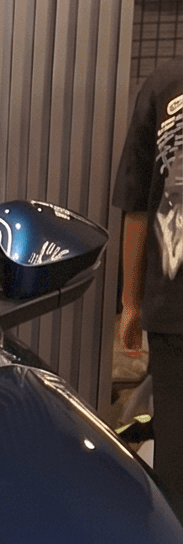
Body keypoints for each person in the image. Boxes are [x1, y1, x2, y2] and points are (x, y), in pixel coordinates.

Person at [115, 57, 183, 515]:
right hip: (173, 308)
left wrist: (131, 303)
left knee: (176, 454)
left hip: (172, 304)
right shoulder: (161, 87)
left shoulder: (164, 86)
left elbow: (136, 206)